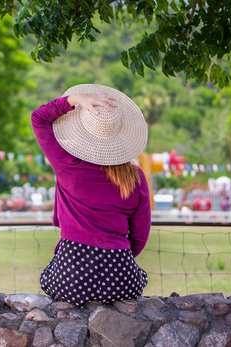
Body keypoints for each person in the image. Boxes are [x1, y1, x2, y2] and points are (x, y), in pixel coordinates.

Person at [31, 84, 151, 306]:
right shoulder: (136, 177)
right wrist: (113, 261)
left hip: (73, 275)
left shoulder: (68, 165)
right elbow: (139, 236)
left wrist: (74, 100)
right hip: (122, 276)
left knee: (47, 278)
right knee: (138, 278)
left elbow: (39, 118)